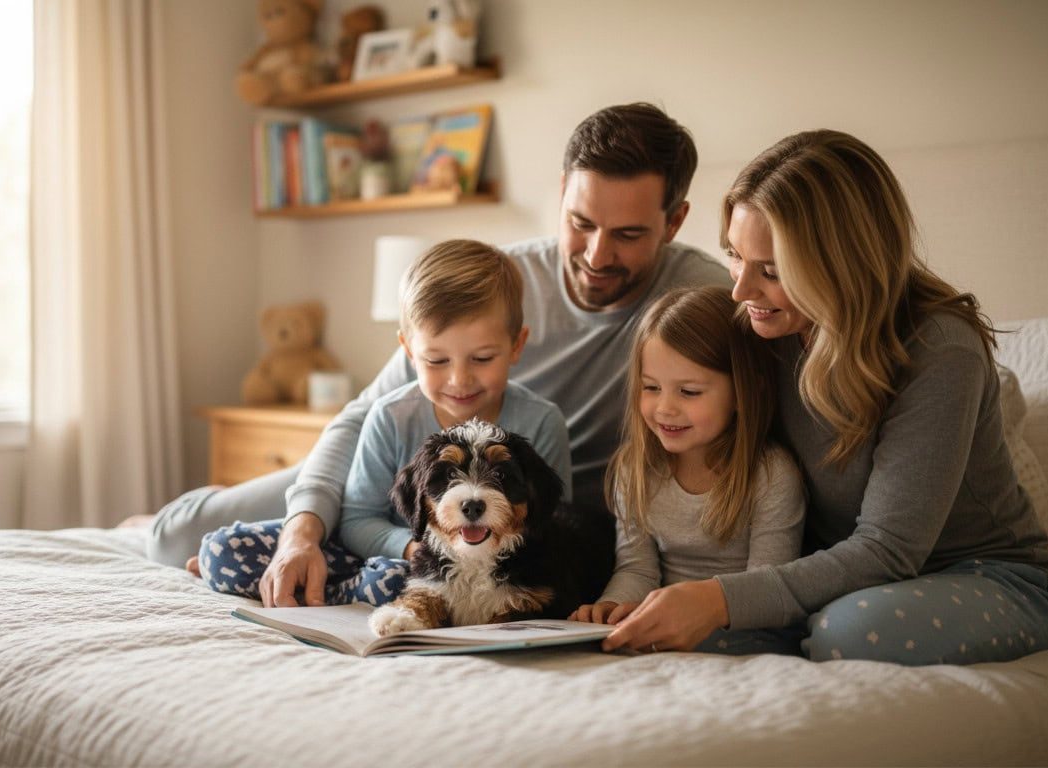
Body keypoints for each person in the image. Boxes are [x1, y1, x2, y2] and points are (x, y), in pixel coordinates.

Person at [146, 102, 731, 607]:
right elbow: (362, 415)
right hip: (404, 472)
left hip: (505, 512)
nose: (597, 255)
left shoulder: (700, 301)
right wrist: (302, 530)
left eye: (628, 235)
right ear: (560, 194)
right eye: (580, 223)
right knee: (175, 540)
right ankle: (163, 521)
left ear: (674, 220)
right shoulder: (500, 284)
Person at [602, 130, 1048, 665]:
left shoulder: (940, 351)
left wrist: (719, 599)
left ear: (840, 263)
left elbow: (889, 549)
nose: (741, 290)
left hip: (986, 578)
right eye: (734, 255)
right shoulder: (767, 327)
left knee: (849, 632)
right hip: (838, 580)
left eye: (772, 271)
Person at [191, 239, 571, 606]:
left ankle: (339, 593)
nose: (459, 380)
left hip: (475, 573)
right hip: (390, 551)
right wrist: (409, 547)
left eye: (483, 358)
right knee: (221, 553)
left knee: (389, 583)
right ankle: (319, 583)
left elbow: (551, 522)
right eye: (437, 361)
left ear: (517, 346)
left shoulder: (541, 422)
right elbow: (356, 520)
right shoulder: (390, 416)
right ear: (407, 351)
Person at [570, 286, 805, 655]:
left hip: (749, 634)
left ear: (745, 392)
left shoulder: (771, 475)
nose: (664, 409)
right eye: (651, 387)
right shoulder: (636, 470)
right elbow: (638, 570)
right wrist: (613, 608)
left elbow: (768, 588)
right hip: (663, 638)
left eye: (689, 392)